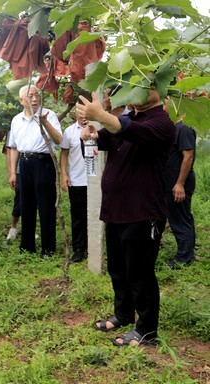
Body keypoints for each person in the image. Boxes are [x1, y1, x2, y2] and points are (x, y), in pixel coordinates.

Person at [77, 88, 175, 347]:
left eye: (143, 87)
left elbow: (126, 129)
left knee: (140, 273)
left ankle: (146, 331)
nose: (136, 94)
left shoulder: (160, 122)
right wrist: (90, 134)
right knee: (118, 269)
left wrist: (101, 114)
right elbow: (105, 140)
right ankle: (123, 314)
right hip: (117, 209)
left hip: (142, 212)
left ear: (159, 89)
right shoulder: (132, 118)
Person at [7, 85, 62, 257]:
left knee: (46, 206)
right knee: (26, 205)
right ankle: (27, 246)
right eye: (30, 96)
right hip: (24, 163)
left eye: (37, 95)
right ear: (22, 101)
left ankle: (48, 248)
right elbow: (13, 147)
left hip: (44, 163)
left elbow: (59, 139)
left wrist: (44, 122)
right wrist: (12, 172)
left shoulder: (49, 115)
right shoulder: (16, 120)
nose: (35, 99)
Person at [164, 117, 196, 267]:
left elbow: (188, 156)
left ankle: (184, 258)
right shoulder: (173, 129)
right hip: (169, 183)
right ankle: (185, 253)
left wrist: (180, 184)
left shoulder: (184, 129)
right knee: (176, 217)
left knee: (180, 219)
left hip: (178, 184)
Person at [60, 114, 89, 262]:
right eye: (79, 112)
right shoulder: (69, 132)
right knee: (78, 216)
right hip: (77, 180)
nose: (83, 115)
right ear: (75, 114)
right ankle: (79, 248)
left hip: (97, 181)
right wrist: (64, 174)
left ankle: (95, 245)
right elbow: (64, 154)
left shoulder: (99, 128)